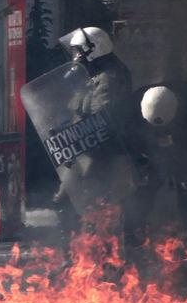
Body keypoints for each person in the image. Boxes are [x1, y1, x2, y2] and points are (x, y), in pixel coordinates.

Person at [52, 27, 133, 248]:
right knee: (67, 201)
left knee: (86, 203)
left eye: (78, 51)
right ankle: (74, 257)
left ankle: (96, 256)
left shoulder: (108, 77)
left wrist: (72, 137)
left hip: (100, 152)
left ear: (93, 49)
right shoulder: (94, 73)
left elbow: (100, 119)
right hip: (83, 150)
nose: (75, 56)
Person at [122, 81, 187, 258]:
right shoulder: (132, 111)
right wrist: (140, 163)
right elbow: (128, 141)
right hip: (149, 150)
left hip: (185, 144)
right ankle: (132, 234)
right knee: (145, 186)